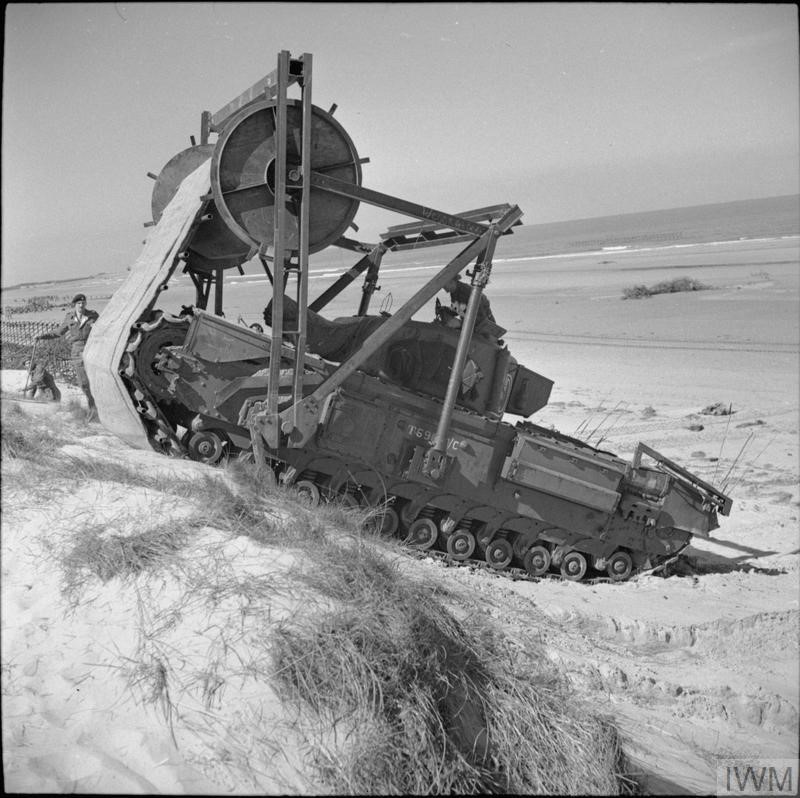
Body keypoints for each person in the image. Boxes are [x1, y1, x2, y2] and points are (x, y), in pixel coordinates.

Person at [37, 293, 99, 417]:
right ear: (74, 305)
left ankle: (100, 409)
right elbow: (58, 332)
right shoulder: (70, 318)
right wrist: (42, 336)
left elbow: (103, 328)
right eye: (78, 303)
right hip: (77, 352)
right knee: (84, 383)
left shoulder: (93, 315)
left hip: (93, 349)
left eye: (83, 303)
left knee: (97, 380)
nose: (81, 305)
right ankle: (93, 408)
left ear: (85, 303)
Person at [440, 274, 505, 342]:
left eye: (444, 285)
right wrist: (446, 310)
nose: (443, 287)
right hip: (472, 326)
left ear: (452, 282)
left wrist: (460, 324)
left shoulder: (467, 292)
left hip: (485, 329)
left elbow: (480, 318)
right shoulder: (454, 292)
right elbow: (458, 309)